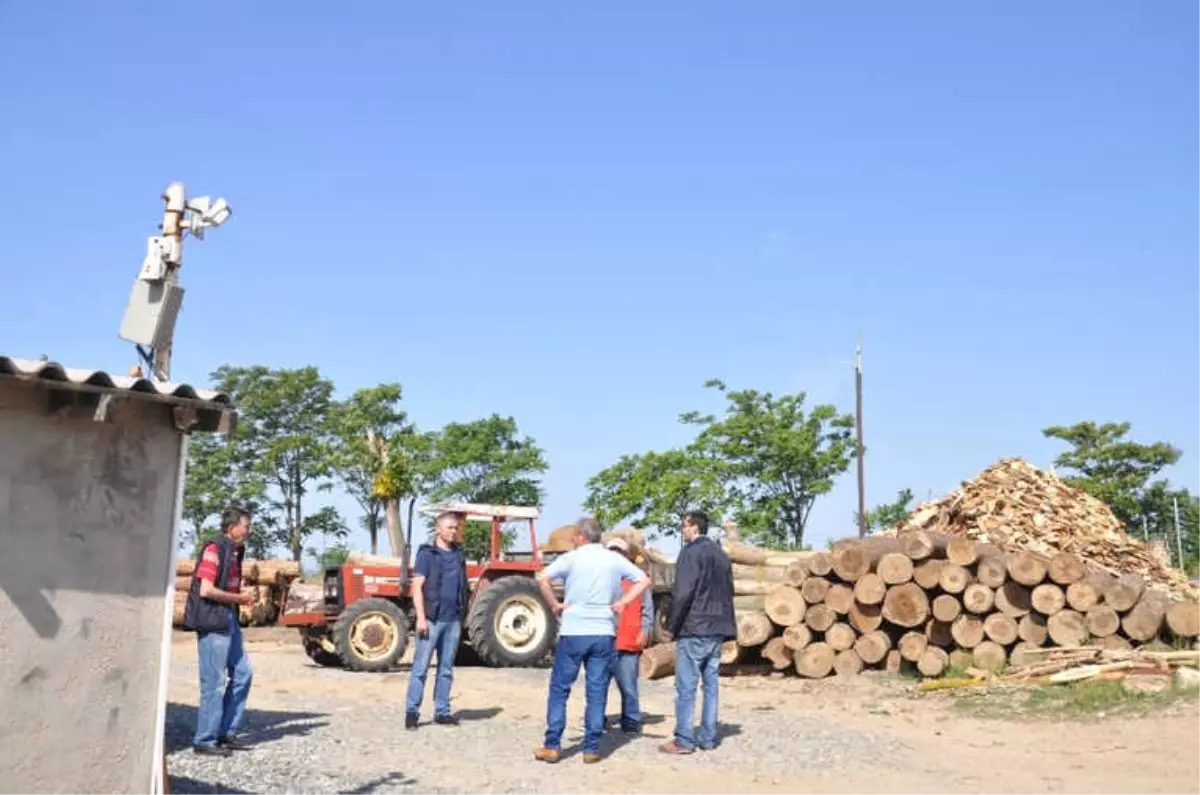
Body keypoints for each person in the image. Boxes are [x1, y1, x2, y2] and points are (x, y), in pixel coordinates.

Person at [532, 518, 650, 765]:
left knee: (560, 688)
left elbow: (542, 578)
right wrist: (623, 602)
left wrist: (555, 604)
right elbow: (644, 580)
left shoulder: (572, 558)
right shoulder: (614, 559)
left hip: (574, 629)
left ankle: (552, 744)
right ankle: (591, 747)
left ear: (579, 536)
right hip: (603, 631)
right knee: (596, 690)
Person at [659, 511, 736, 755]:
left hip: (694, 627)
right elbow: (729, 590)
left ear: (693, 527)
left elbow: (683, 592)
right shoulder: (721, 555)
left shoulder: (690, 552)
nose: (683, 531)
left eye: (684, 526)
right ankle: (708, 737)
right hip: (717, 628)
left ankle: (683, 739)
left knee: (687, 686)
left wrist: (671, 625)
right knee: (711, 685)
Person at [183, 506, 256, 757]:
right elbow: (206, 590)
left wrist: (242, 593)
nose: (249, 531)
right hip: (214, 620)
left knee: (243, 673)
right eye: (246, 526)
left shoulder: (235, 551)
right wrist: (239, 598)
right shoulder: (214, 548)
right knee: (213, 683)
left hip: (229, 619)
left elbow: (227, 584)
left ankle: (226, 733)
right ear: (232, 527)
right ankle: (205, 739)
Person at [405, 511, 469, 730]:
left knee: (446, 669)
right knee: (420, 668)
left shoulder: (459, 555)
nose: (453, 531)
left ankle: (442, 712)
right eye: (450, 527)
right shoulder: (426, 555)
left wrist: (463, 615)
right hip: (432, 620)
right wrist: (421, 618)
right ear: (438, 528)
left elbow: (464, 586)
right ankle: (412, 712)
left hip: (453, 620)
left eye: (455, 528)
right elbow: (416, 587)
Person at [604, 537, 654, 735]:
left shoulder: (637, 579)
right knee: (599, 686)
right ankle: (597, 720)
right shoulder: (601, 578)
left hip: (629, 639)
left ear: (626, 555)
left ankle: (631, 721)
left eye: (619, 552)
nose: (615, 555)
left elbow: (647, 608)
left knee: (629, 686)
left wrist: (645, 630)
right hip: (605, 640)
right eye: (612, 551)